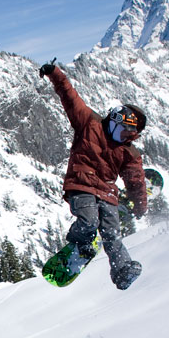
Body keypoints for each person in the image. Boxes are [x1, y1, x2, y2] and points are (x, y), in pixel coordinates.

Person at [38, 59, 147, 289]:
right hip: (81, 184)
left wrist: (139, 204)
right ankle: (80, 242)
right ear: (113, 120)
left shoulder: (129, 152)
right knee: (89, 221)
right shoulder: (89, 122)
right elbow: (69, 96)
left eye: (127, 136)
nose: (121, 138)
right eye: (120, 131)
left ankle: (122, 270)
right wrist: (54, 73)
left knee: (112, 233)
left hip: (107, 191)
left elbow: (136, 181)